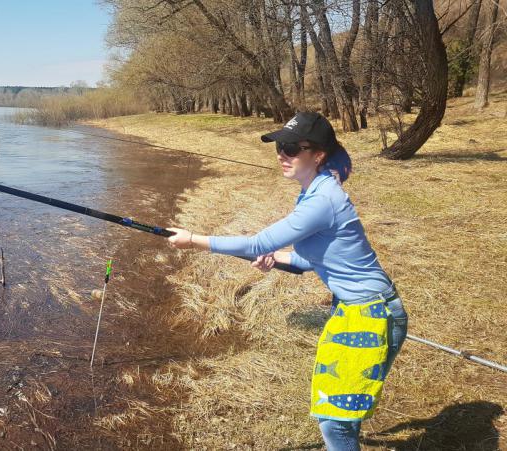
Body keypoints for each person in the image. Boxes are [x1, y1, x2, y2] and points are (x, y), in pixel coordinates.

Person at [166, 112, 408, 451]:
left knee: (335, 423)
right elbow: (318, 259)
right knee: (337, 416)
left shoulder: (323, 200)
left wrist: (193, 239)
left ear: (318, 154)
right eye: (280, 146)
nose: (282, 154)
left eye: (292, 147)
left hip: (372, 312)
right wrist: (278, 258)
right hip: (354, 309)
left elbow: (256, 243)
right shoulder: (315, 190)